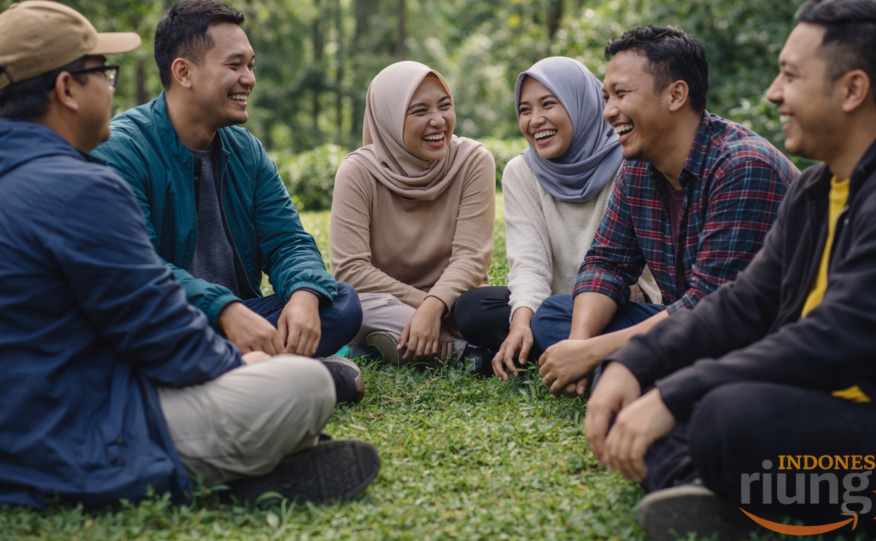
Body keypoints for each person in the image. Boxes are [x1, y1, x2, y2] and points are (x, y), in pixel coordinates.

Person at [0, 0, 379, 508]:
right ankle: (238, 471)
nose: (111, 88)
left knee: (335, 304)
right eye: (103, 74)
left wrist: (299, 297)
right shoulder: (80, 182)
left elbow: (125, 313)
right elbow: (154, 322)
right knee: (304, 387)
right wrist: (237, 359)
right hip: (41, 439)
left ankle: (257, 451)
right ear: (66, 89)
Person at [587, 0, 876, 540]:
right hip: (814, 412)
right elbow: (743, 301)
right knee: (651, 383)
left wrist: (675, 395)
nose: (773, 93)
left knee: (725, 414)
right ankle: (713, 492)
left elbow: (831, 340)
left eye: (790, 76)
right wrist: (636, 361)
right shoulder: (817, 190)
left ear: (852, 90)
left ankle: (749, 491)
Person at [93, 0, 363, 403]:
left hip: (243, 321)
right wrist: (224, 309)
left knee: (341, 303)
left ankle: (243, 373)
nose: (249, 79)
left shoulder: (245, 149)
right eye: (235, 65)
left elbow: (288, 241)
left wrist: (304, 294)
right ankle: (284, 374)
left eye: (250, 65)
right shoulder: (123, 148)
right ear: (184, 72)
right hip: (169, 320)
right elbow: (138, 270)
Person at [535, 26, 798, 397]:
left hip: (754, 337)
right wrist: (578, 345)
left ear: (676, 95)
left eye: (621, 94)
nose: (608, 112)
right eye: (606, 97)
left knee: (723, 360)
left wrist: (592, 353)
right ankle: (636, 375)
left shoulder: (743, 167)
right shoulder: (638, 168)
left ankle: (638, 379)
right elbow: (607, 263)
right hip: (682, 327)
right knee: (553, 315)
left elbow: (711, 310)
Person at [452, 57, 659, 378]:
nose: (535, 120)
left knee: (554, 317)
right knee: (474, 308)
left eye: (548, 104)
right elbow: (528, 262)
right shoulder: (521, 171)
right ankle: (564, 346)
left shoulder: (630, 160)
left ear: (581, 103)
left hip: (620, 302)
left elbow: (633, 270)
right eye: (525, 110)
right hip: (553, 303)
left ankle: (573, 351)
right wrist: (520, 323)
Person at [329, 61, 496, 364]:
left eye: (445, 106)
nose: (439, 121)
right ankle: (466, 354)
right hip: (388, 302)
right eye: (420, 111)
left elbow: (471, 258)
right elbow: (351, 270)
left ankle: (392, 345)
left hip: (456, 300)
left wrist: (437, 304)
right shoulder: (358, 171)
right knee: (347, 306)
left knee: (476, 309)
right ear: (389, 119)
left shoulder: (473, 161)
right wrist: (427, 307)